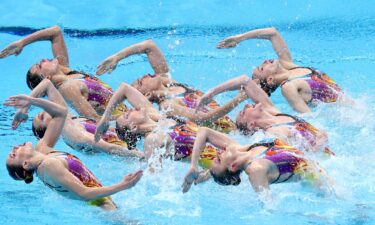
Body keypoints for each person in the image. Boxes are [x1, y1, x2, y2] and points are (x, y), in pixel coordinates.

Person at [4, 81, 143, 210]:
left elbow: (61, 113)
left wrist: (29, 103)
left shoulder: (42, 151)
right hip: (102, 206)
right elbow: (84, 194)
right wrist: (123, 185)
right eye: (14, 154)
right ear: (26, 164)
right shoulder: (47, 166)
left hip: (101, 198)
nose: (15, 147)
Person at [94, 82, 246, 170]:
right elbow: (155, 179)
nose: (131, 108)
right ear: (134, 127)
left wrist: (105, 119)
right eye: (127, 115)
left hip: (231, 148)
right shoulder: (152, 140)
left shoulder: (158, 117)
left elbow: (124, 88)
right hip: (223, 166)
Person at [96, 39, 236, 133]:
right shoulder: (168, 105)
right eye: (141, 82)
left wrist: (117, 57)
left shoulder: (168, 81)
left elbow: (149, 46)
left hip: (233, 125)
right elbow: (205, 118)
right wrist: (239, 98)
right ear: (147, 95)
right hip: (227, 134)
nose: (144, 75)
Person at [0, 25, 127, 122]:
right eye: (40, 65)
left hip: (129, 113)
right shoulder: (67, 88)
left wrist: (22, 43)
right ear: (46, 78)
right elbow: (94, 120)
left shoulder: (66, 71)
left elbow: (56, 32)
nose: (43, 59)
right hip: (127, 123)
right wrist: (127, 119)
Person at [217, 27, 345, 113]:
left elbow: (272, 32)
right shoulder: (288, 87)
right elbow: (307, 116)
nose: (265, 61)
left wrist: (239, 38)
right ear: (270, 79)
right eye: (262, 67)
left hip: (354, 106)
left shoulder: (289, 65)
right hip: (345, 115)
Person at [196, 75, 333, 154]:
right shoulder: (274, 134)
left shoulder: (274, 112)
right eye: (244, 112)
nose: (248, 104)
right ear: (251, 124)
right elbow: (298, 160)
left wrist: (211, 93)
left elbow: (244, 80)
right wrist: (318, 146)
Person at [182, 127, 331, 198]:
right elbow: (268, 207)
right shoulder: (256, 169)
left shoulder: (242, 148)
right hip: (318, 181)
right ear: (233, 166)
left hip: (317, 166)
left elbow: (204, 132)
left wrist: (194, 166)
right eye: (219, 159)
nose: (219, 151)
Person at [18, 79, 143, 157]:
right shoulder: (72, 134)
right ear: (48, 129)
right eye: (41, 117)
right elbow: (109, 148)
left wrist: (24, 108)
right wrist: (138, 155)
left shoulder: (67, 118)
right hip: (131, 150)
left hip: (131, 135)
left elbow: (47, 84)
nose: (45, 109)